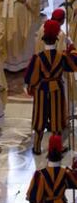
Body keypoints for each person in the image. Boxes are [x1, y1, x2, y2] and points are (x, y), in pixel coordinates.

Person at [24, 20, 77, 155]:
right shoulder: (62, 56)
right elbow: (73, 66)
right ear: (56, 40)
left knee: (40, 118)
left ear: (43, 40)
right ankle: (56, 147)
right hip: (57, 89)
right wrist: (73, 49)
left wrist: (33, 85)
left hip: (42, 90)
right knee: (57, 119)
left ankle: (36, 147)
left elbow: (30, 78)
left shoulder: (37, 58)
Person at [0, 0, 40, 71]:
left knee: (17, 36)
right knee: (2, 34)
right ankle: (4, 62)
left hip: (20, 9)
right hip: (3, 8)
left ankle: (20, 63)